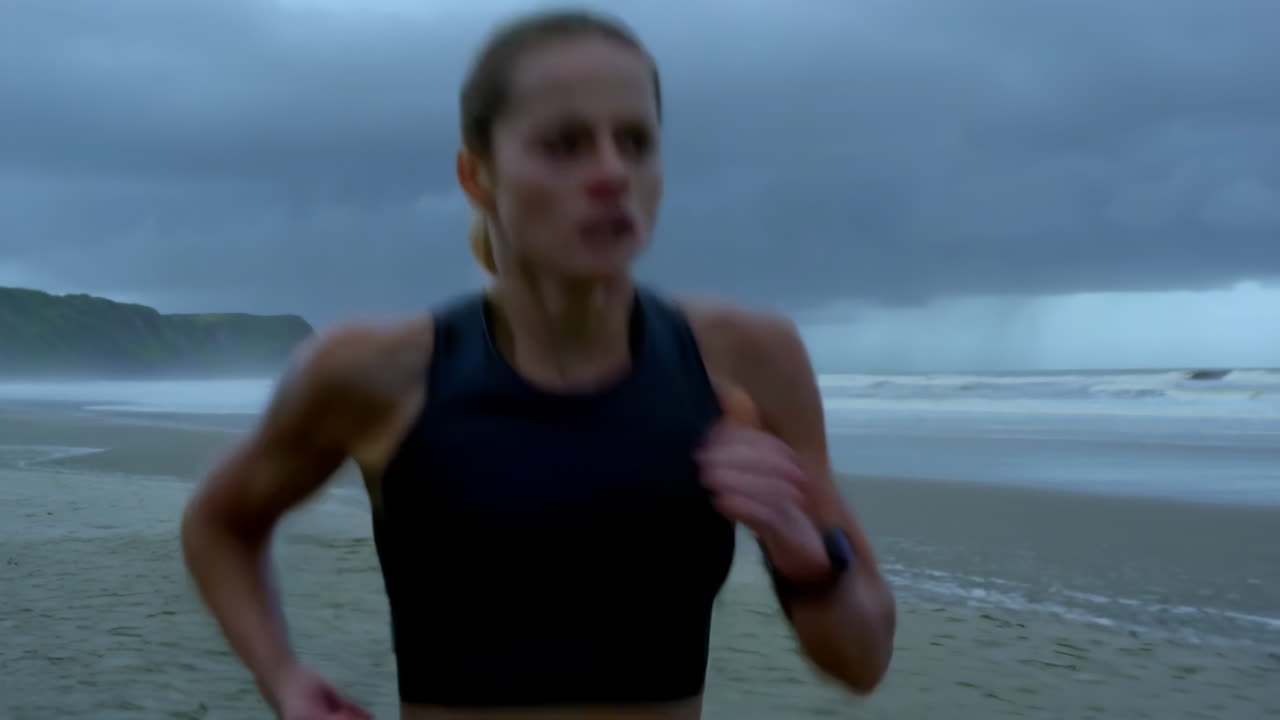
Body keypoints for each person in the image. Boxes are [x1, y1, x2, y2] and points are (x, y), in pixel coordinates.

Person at [180, 9, 896, 720]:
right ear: (477, 174)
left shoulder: (744, 361)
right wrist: (283, 679)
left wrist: (808, 560)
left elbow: (862, 660)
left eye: (636, 142)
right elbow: (220, 524)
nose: (612, 172)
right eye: (565, 145)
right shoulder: (376, 374)